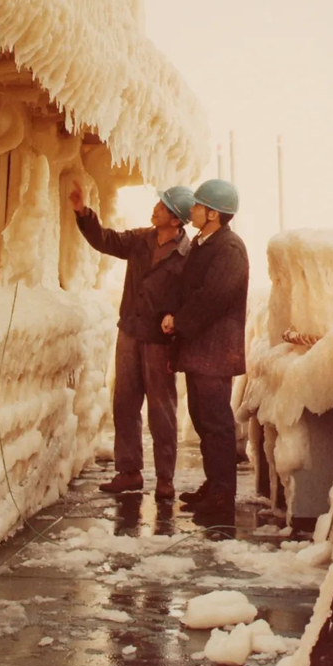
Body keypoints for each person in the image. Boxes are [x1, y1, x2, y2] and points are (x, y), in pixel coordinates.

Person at [70, 183, 195, 500]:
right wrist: (83, 214)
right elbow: (107, 240)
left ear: (176, 220)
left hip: (159, 341)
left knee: (162, 410)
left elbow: (192, 297)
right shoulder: (142, 239)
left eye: (163, 207)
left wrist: (176, 322)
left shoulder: (187, 255)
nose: (156, 209)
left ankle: (165, 478)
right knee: (124, 402)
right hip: (129, 332)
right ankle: (129, 472)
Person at [161, 179, 249, 515]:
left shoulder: (229, 248)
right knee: (202, 419)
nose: (191, 210)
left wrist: (178, 322)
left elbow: (212, 298)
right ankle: (214, 485)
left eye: (198, 206)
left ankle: (223, 495)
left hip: (215, 351)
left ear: (213, 213)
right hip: (200, 350)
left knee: (216, 423)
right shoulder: (203, 242)